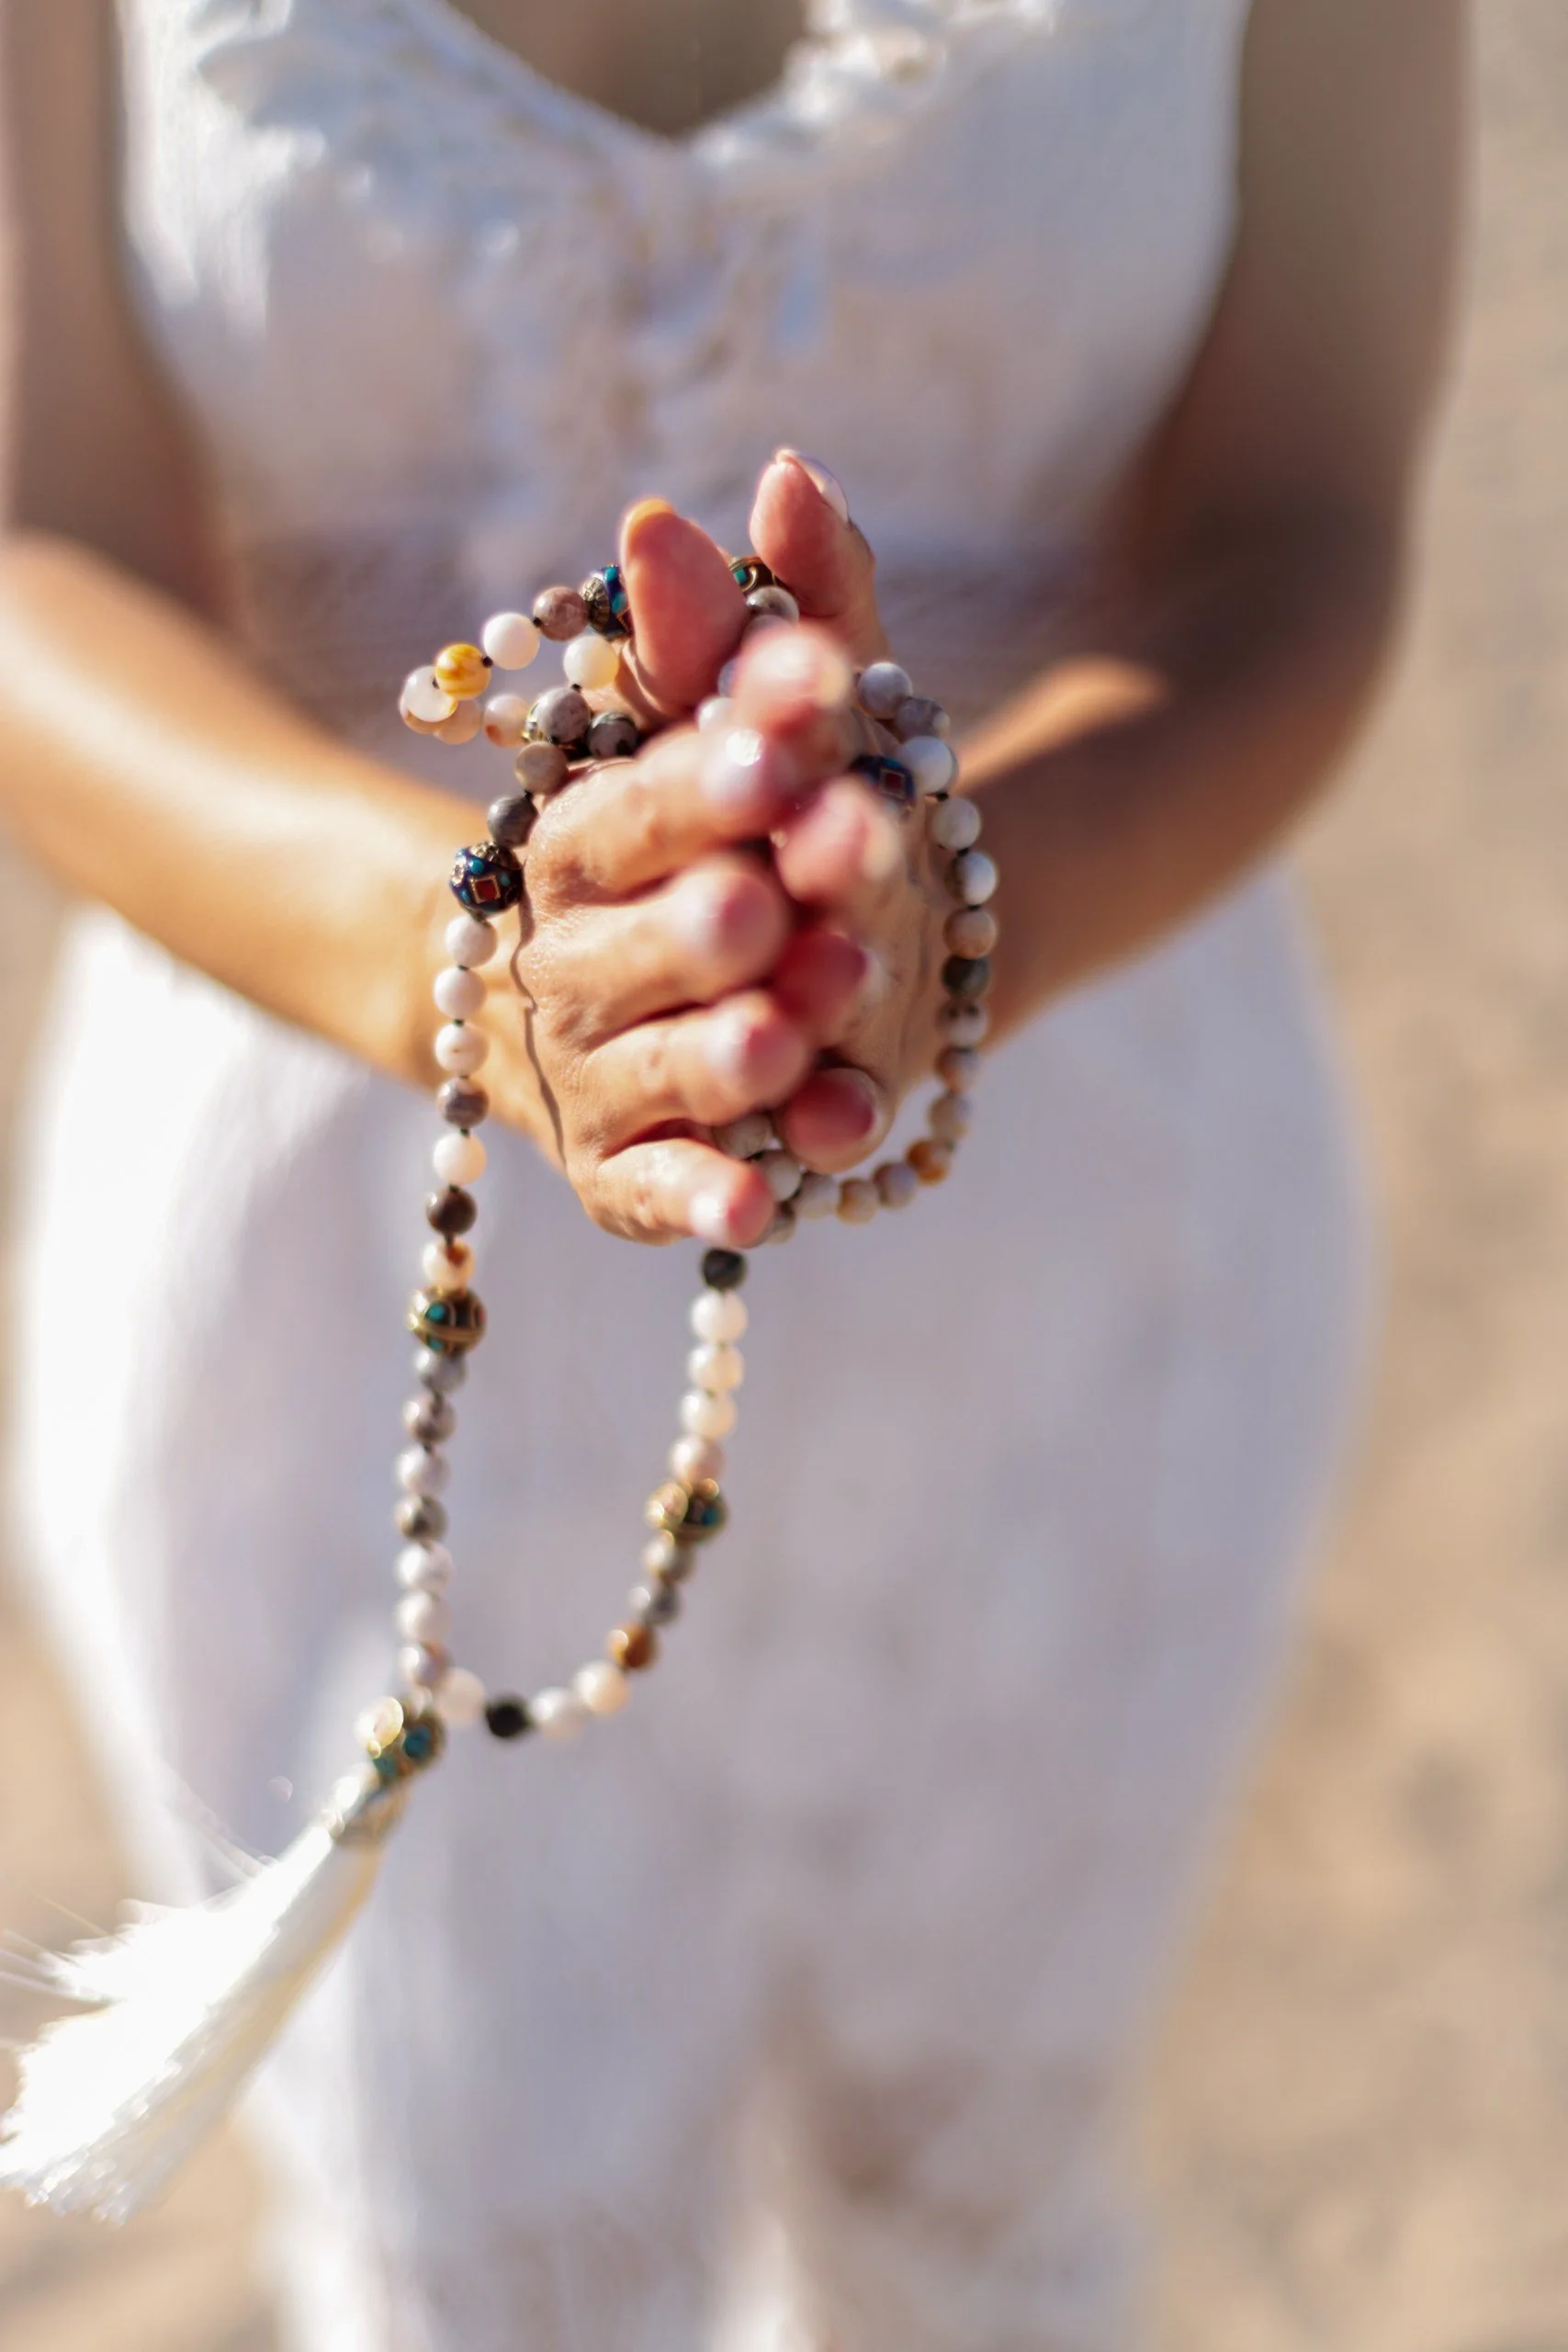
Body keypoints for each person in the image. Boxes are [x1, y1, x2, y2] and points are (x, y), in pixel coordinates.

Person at [0, 0, 1461, 2344]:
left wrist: (949, 911)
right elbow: (35, 547)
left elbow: (1297, 523)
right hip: (335, 1239)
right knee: (473, 2254)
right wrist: (486, 967)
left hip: (1079, 1212)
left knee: (976, 2225)